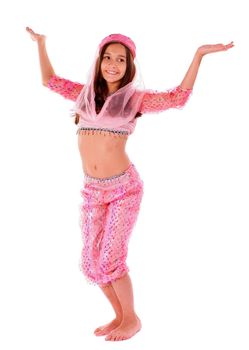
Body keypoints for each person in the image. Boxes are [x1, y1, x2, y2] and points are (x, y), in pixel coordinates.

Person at [26, 26, 234, 342]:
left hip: (124, 189)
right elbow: (49, 80)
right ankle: (122, 316)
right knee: (91, 261)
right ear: (98, 61)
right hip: (93, 190)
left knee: (111, 259)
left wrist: (199, 55)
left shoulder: (134, 100)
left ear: (129, 66)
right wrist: (41, 44)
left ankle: (132, 319)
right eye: (107, 58)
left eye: (120, 60)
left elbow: (177, 98)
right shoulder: (84, 96)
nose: (112, 64)